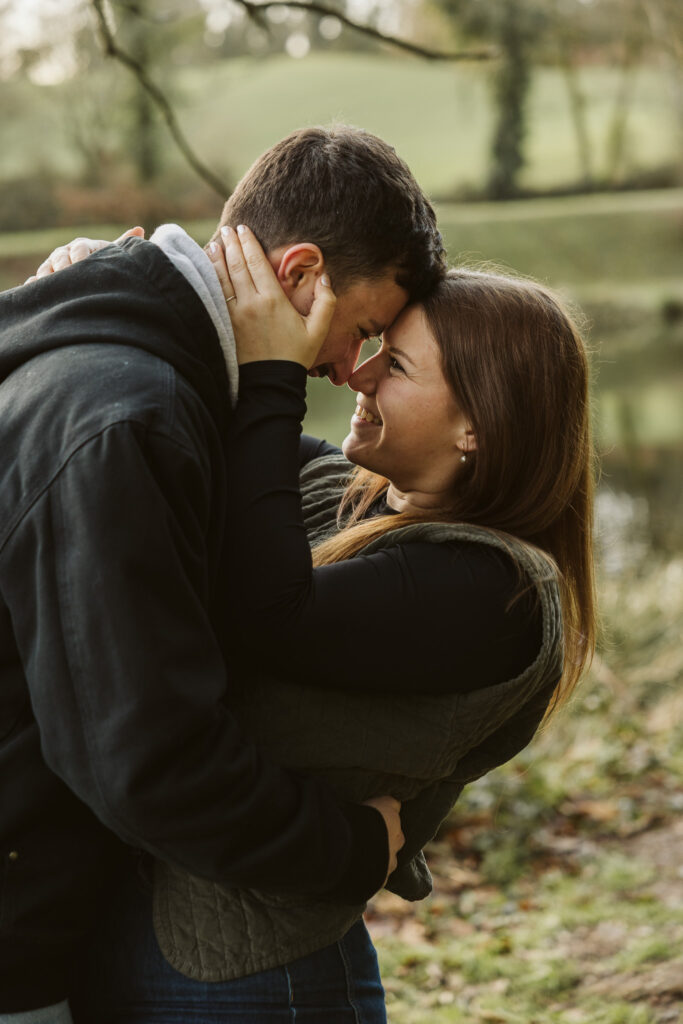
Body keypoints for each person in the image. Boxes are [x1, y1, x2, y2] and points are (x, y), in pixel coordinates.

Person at [51, 226, 595, 1022]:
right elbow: (210, 436)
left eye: (395, 365)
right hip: (138, 942)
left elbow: (270, 613)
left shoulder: (496, 590)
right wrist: (106, 285)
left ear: (475, 426)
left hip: (258, 985)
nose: (358, 373)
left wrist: (274, 374)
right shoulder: (349, 496)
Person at [0, 126, 447, 1020]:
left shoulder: (117, 357)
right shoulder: (131, 417)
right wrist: (353, 848)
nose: (346, 371)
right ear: (300, 272)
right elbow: (148, 760)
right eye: (360, 331)